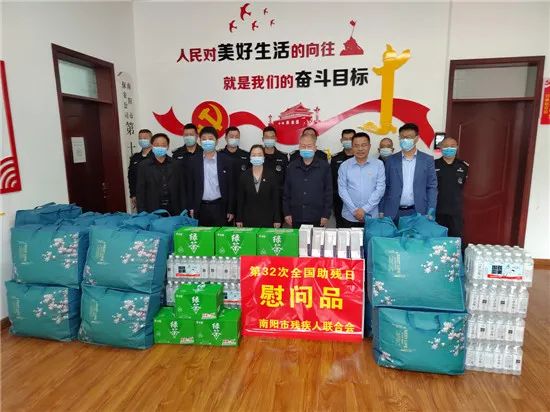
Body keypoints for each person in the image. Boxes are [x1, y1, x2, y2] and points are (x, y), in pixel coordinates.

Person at [381, 123, 438, 222]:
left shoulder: (427, 160)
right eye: (402, 137)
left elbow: (431, 187)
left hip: (418, 211)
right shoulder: (391, 160)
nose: (405, 140)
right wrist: (381, 210)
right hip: (393, 212)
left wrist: (431, 208)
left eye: (408, 137)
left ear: (417, 138)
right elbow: (385, 186)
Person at [186, 126, 235, 226]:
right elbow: (190, 186)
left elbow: (231, 187)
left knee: (221, 235)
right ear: (200, 141)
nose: (207, 141)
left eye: (210, 138)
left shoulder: (226, 160)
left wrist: (231, 209)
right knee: (202, 235)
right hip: (200, 208)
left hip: (221, 207)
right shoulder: (193, 161)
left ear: (216, 141)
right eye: (204, 139)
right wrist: (191, 207)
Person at [283, 133, 332, 228]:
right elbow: (286, 192)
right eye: (303, 146)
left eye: (309, 146)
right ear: (299, 148)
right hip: (296, 216)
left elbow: (328, 192)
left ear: (315, 148)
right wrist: (287, 213)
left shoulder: (324, 167)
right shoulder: (291, 166)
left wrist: (326, 214)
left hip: (317, 216)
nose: (306, 149)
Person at [338, 133, 386, 227]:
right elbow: (342, 190)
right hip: (349, 216)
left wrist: (364, 209)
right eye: (356, 146)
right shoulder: (344, 166)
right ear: (352, 147)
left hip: (371, 216)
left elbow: (380, 189)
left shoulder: (378, 164)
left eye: (364, 145)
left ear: (369, 146)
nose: (360, 149)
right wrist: (354, 211)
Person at [136, 133, 184, 215]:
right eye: (157, 145)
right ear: (152, 146)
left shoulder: (176, 164)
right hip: (152, 211)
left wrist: (183, 210)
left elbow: (182, 189)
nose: (160, 147)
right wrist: (142, 213)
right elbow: (140, 192)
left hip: (174, 210)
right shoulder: (143, 166)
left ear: (167, 147)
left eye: (163, 145)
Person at [236, 145, 281, 228]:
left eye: (259, 155)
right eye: (253, 155)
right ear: (250, 158)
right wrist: (239, 218)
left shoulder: (271, 175)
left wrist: (277, 219)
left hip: (268, 219)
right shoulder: (244, 176)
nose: (256, 157)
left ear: (264, 157)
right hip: (248, 219)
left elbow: (276, 199)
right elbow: (240, 199)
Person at [435, 137, 469, 238]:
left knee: (455, 239)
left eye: (452, 146)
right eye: (445, 146)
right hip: (438, 210)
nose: (449, 148)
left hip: (455, 211)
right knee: (438, 241)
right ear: (441, 148)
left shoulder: (463, 166)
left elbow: (462, 185)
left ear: (457, 147)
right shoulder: (433, 164)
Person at [331, 129, 355, 227]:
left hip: (357, 201)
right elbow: (332, 181)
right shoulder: (335, 158)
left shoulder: (360, 157)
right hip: (340, 202)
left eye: (351, 139)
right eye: (345, 139)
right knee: (341, 230)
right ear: (341, 140)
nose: (348, 141)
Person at [128, 129, 154, 211]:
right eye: (140, 138)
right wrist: (133, 195)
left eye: (145, 138)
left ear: (151, 139)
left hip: (155, 196)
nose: (142, 140)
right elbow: (131, 177)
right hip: (139, 196)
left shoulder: (157, 156)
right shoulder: (135, 158)